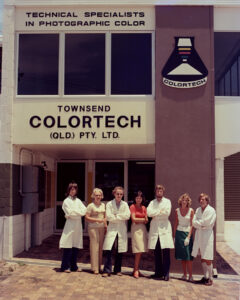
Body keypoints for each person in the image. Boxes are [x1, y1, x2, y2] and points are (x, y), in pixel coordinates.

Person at [147, 184, 174, 281]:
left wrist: (156, 213)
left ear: (163, 192)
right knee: (157, 252)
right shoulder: (152, 202)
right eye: (157, 190)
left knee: (166, 252)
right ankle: (158, 273)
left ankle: (166, 274)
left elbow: (167, 213)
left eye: (161, 190)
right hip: (155, 230)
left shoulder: (167, 201)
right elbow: (149, 213)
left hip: (164, 230)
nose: (159, 192)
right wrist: (159, 212)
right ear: (155, 192)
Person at [102, 186, 130, 277]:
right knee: (109, 249)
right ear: (114, 193)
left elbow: (127, 216)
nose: (119, 195)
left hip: (121, 229)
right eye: (117, 194)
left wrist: (116, 216)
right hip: (112, 229)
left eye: (121, 194)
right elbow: (109, 217)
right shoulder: (109, 204)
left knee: (119, 250)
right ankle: (107, 270)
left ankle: (117, 270)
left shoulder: (125, 204)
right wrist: (120, 217)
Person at [59, 182, 86, 273]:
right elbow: (70, 213)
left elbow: (84, 211)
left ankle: (74, 266)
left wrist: (75, 212)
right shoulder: (66, 201)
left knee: (75, 246)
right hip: (70, 225)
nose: (73, 191)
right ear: (69, 190)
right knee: (68, 246)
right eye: (71, 189)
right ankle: (65, 266)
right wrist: (77, 213)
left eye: (74, 189)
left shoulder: (78, 200)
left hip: (78, 226)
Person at [192, 193, 216, 286]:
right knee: (202, 256)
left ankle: (210, 278)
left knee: (208, 257)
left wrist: (199, 223)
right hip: (200, 235)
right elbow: (193, 222)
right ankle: (205, 277)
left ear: (207, 201)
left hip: (207, 235)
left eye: (204, 199)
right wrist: (201, 224)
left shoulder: (211, 210)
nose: (202, 201)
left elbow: (208, 223)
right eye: (200, 199)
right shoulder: (198, 210)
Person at [85, 188, 107, 275]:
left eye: (99, 195)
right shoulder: (90, 206)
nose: (98, 197)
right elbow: (86, 217)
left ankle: (99, 266)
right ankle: (94, 268)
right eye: (96, 195)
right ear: (93, 196)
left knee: (100, 247)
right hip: (93, 228)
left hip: (101, 228)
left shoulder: (103, 205)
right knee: (94, 246)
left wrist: (105, 226)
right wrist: (96, 220)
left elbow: (105, 217)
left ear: (101, 196)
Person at [173, 193, 194, 282]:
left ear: (188, 202)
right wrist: (174, 237)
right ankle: (184, 275)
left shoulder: (191, 210)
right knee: (182, 256)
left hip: (187, 234)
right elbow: (176, 223)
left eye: (186, 200)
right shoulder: (177, 210)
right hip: (179, 234)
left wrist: (188, 237)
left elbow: (192, 224)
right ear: (180, 201)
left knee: (188, 256)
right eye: (183, 200)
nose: (184, 201)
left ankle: (190, 276)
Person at [130, 191, 148, 279]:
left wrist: (139, 220)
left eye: (140, 198)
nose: (138, 199)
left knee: (140, 249)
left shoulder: (144, 207)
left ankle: (136, 269)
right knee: (137, 249)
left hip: (142, 229)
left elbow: (147, 220)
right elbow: (133, 219)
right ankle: (136, 270)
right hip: (135, 229)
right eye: (137, 198)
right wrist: (142, 219)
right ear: (134, 198)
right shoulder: (132, 207)